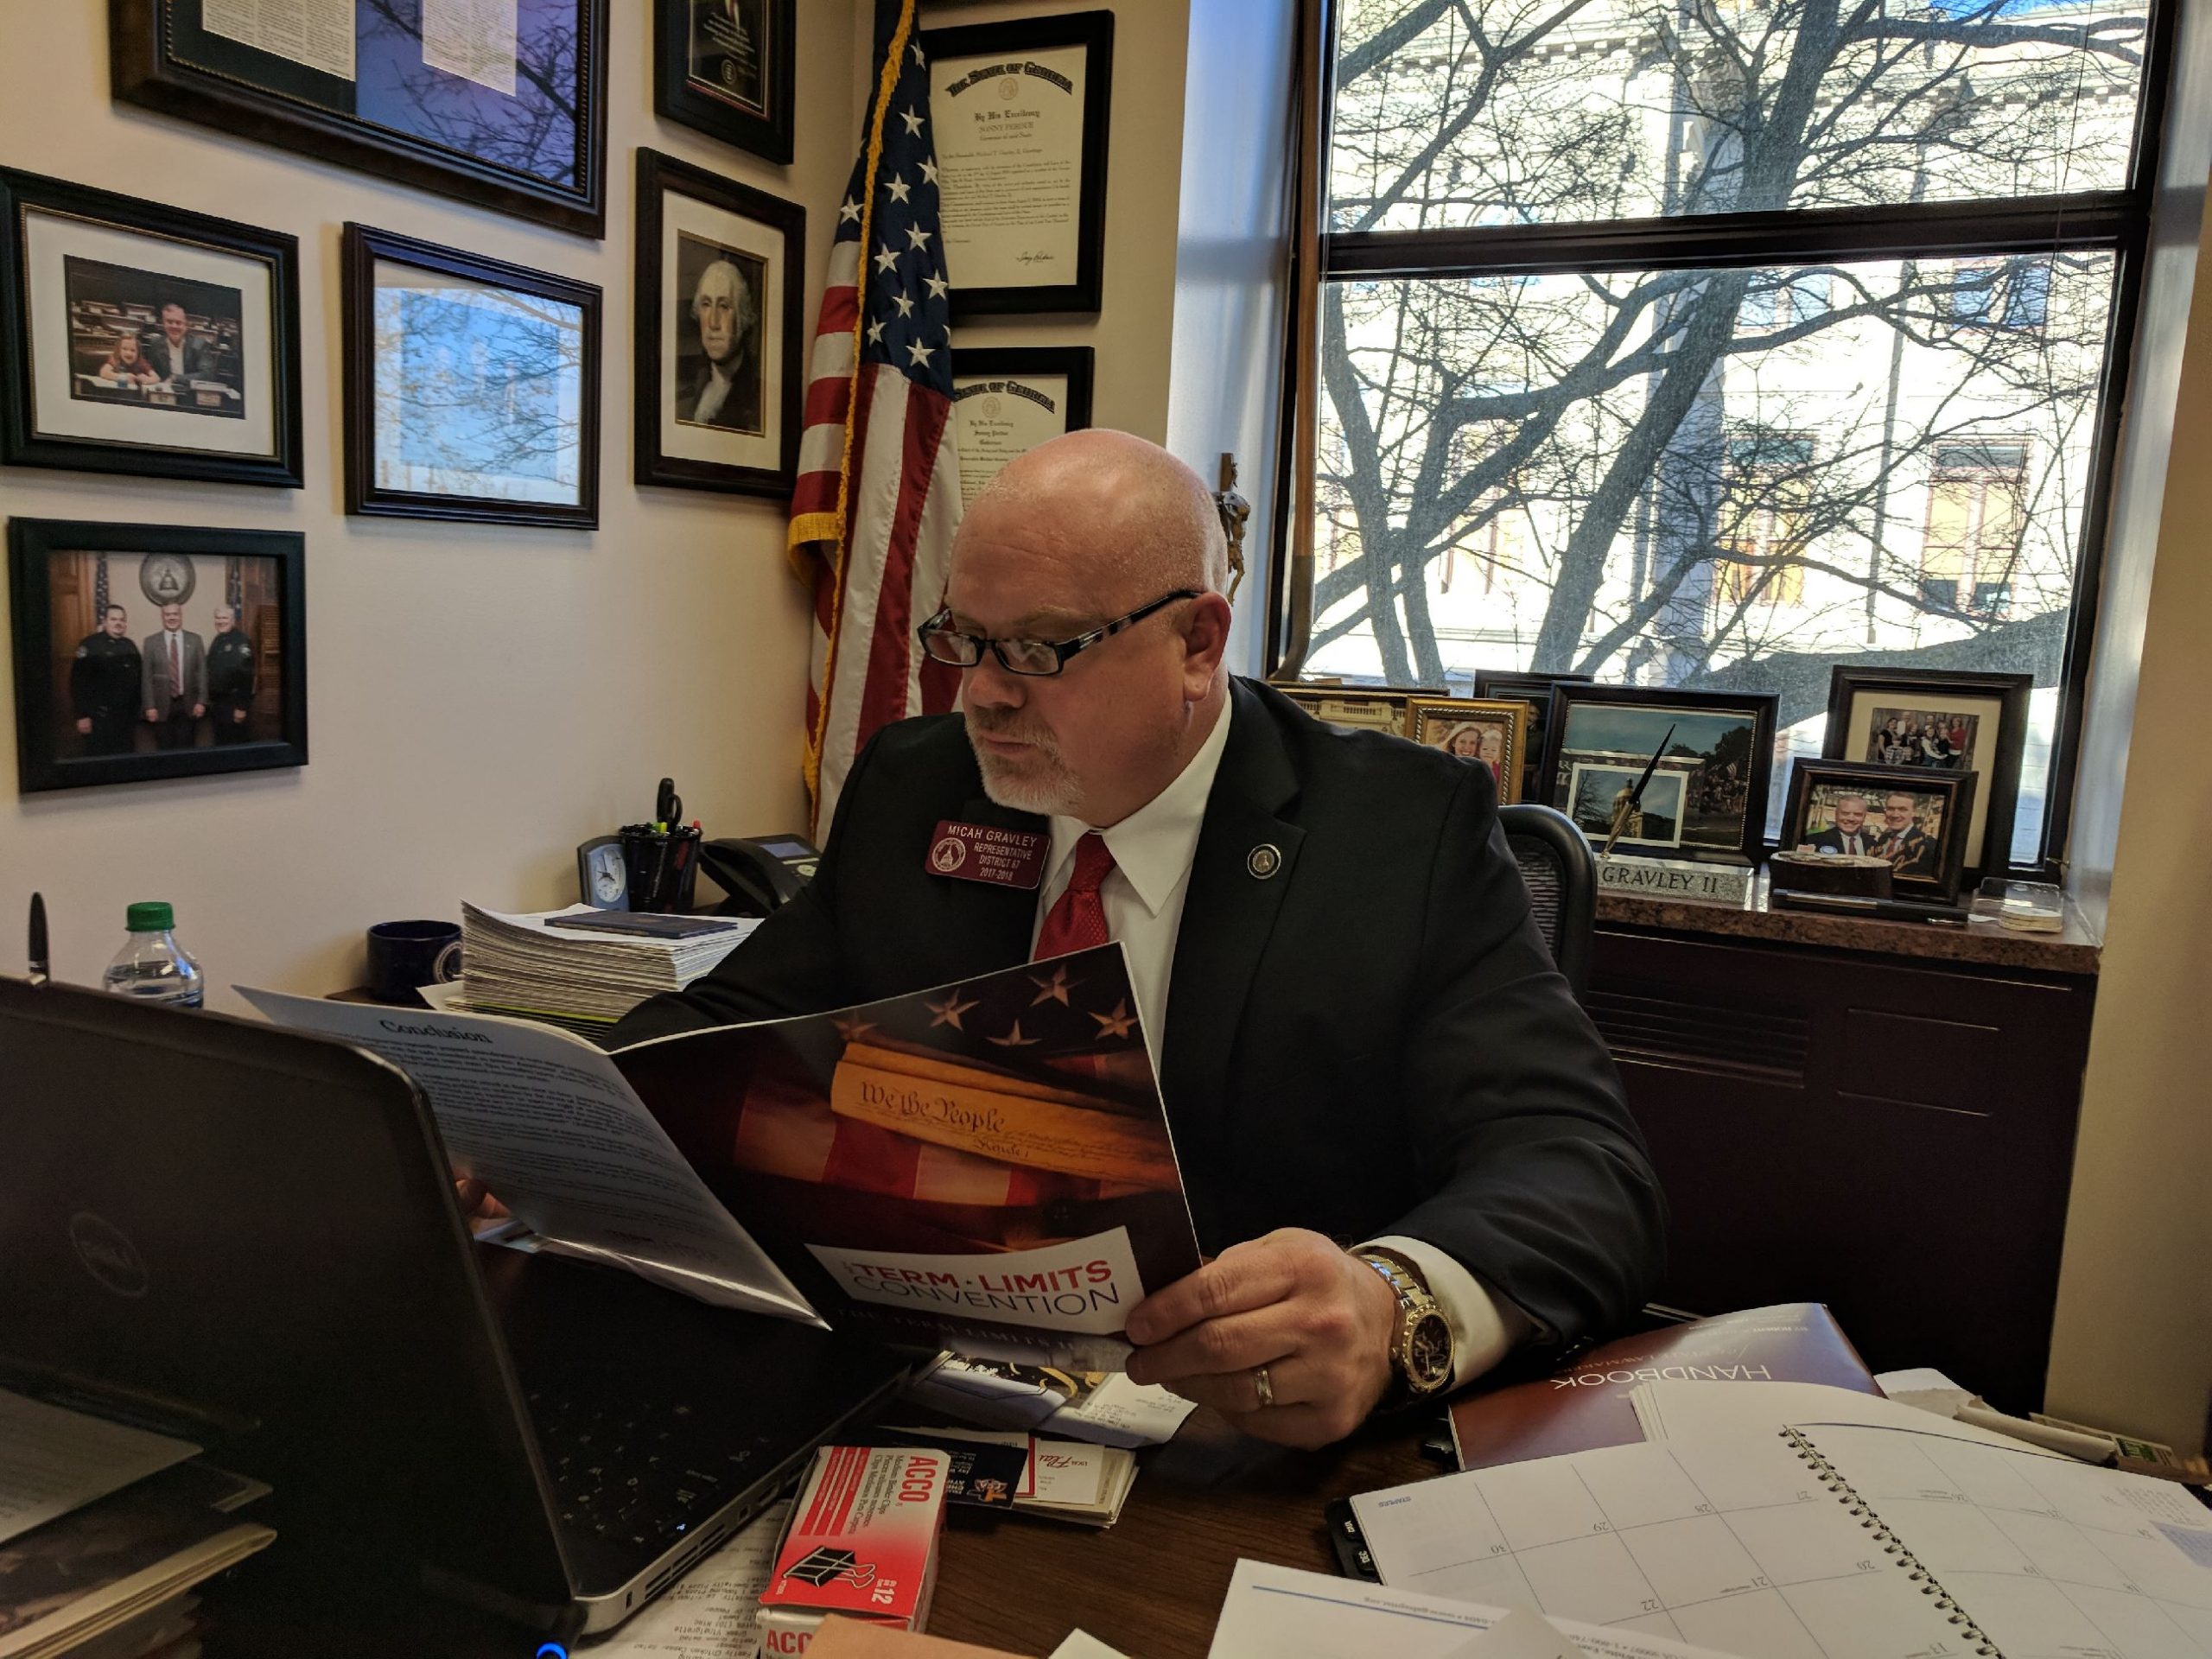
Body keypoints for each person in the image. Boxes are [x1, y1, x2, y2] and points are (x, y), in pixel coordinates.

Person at [609, 430, 1663, 1450]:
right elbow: (731, 1027)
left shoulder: (1399, 834)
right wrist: (572, 1103)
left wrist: (1392, 1305)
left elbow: (1577, 1166)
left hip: (1239, 1435)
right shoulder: (916, 784)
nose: (981, 692)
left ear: (1196, 644)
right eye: (961, 638)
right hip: (923, 1389)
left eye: (1036, 649)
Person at [683, 257, 760, 431]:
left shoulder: (757, 400)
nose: (713, 322)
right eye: (706, 304)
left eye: (724, 306)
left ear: (742, 317)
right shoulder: (687, 393)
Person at [69, 604, 142, 757]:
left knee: (126, 760)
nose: (118, 623)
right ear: (104, 622)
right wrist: (82, 715)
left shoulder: (130, 646)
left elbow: (138, 681)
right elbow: (77, 683)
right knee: (100, 761)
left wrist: (135, 714)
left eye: (122, 620)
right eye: (113, 619)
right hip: (99, 719)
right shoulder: (90, 645)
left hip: (125, 719)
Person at [141, 602, 205, 751]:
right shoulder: (150, 642)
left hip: (188, 704)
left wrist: (202, 701)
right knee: (164, 749)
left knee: (187, 748)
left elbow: (202, 673)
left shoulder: (195, 640)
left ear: (181, 616)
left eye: (175, 614)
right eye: (167, 614)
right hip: (161, 706)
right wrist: (149, 706)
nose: (172, 618)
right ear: (162, 617)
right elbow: (146, 678)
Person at [204, 604, 256, 745]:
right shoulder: (218, 640)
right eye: (218, 618)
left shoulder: (241, 641)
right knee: (220, 743)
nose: (221, 621)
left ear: (233, 620)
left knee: (234, 744)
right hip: (218, 704)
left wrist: (241, 707)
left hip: (233, 704)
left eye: (225, 618)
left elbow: (247, 676)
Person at [137, 300, 210, 385]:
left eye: (178, 323)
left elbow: (207, 375)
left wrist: (176, 378)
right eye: (169, 322)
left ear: (186, 326)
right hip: (165, 390)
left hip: (191, 391)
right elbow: (149, 370)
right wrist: (143, 375)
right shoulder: (156, 344)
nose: (174, 326)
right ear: (163, 324)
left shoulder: (199, 344)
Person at [1872, 791, 1940, 880]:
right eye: (1891, 809)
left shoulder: (1928, 845)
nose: (1895, 815)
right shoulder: (1883, 839)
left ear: (1914, 812)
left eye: (1902, 809)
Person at [1803, 792, 1874, 855]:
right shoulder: (1812, 841)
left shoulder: (1873, 844)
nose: (1851, 819)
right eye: (1845, 813)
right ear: (1836, 814)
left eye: (1857, 814)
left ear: (1864, 817)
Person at [93, 332, 158, 388]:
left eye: (133, 350)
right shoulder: (116, 359)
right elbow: (103, 372)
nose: (128, 353)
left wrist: (148, 380)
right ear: (119, 350)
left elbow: (156, 377)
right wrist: (122, 377)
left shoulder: (141, 362)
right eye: (124, 349)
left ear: (138, 353)